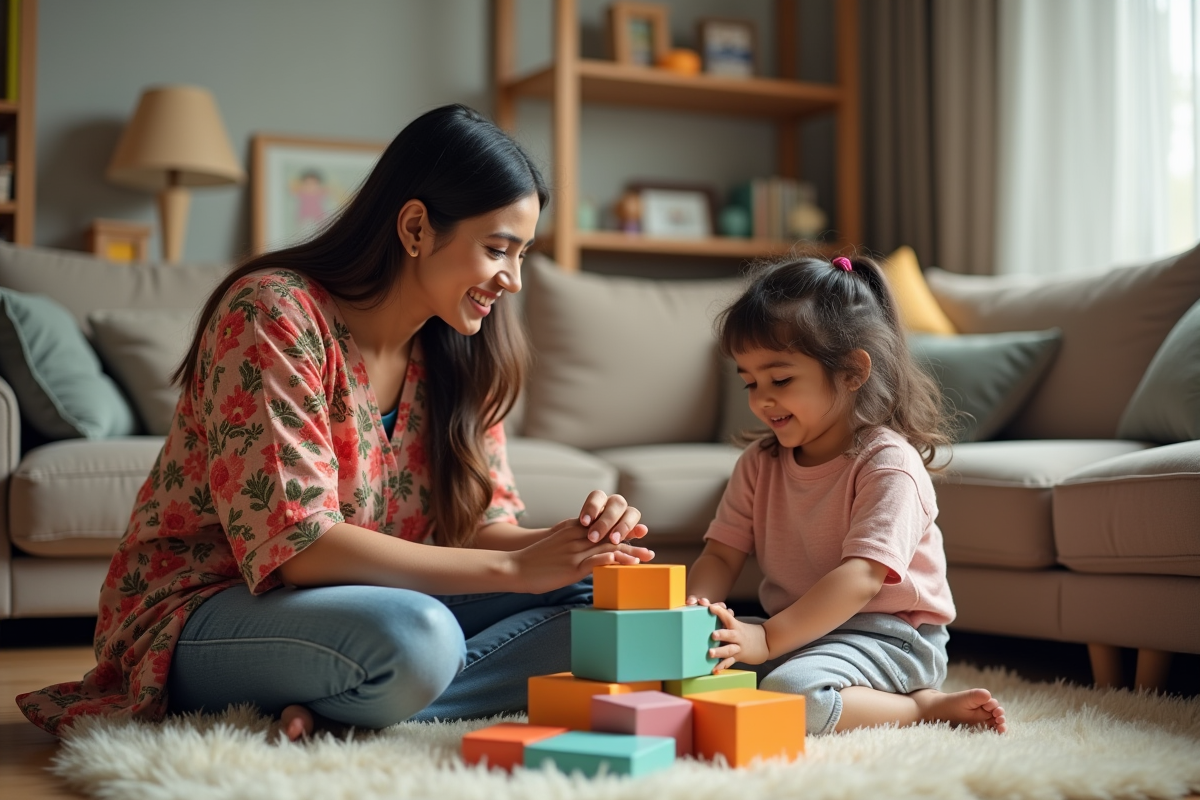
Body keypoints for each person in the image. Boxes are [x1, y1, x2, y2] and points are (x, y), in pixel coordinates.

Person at [16, 104, 654, 740]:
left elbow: (483, 528)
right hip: (202, 609)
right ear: (415, 229)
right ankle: (374, 689)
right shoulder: (273, 311)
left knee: (614, 609)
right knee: (416, 637)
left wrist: (580, 548)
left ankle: (339, 706)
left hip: (359, 609)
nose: (512, 280)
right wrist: (518, 573)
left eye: (521, 255)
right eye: (497, 250)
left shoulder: (463, 351)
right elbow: (304, 550)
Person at [685, 254, 1007, 736]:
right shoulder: (758, 463)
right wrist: (688, 618)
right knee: (693, 664)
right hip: (800, 628)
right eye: (750, 382)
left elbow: (862, 578)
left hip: (893, 636)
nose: (761, 399)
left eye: (781, 379)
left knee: (794, 696)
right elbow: (721, 554)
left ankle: (922, 708)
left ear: (853, 372)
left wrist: (768, 637)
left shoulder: (889, 464)